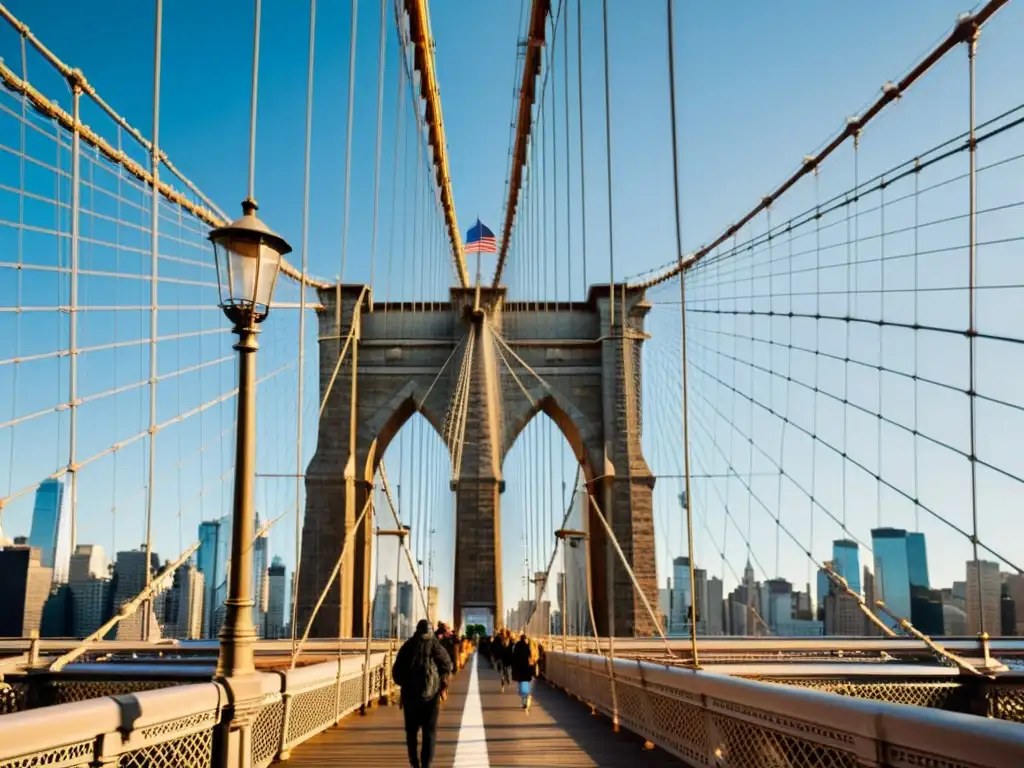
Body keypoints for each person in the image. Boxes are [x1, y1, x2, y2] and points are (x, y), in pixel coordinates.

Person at [392, 619, 452, 768]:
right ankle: (426, 764)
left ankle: (414, 761)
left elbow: (396, 674)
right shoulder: (435, 646)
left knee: (411, 732)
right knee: (429, 732)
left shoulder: (407, 647)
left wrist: (406, 684)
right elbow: (447, 665)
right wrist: (442, 683)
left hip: (410, 697)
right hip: (431, 697)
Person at [511, 632, 538, 713]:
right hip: (526, 670)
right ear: (525, 639)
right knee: (526, 684)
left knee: (520, 686)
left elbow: (513, 657)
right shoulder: (527, 647)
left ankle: (523, 702)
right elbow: (530, 658)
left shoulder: (517, 646)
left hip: (519, 670)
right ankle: (527, 696)